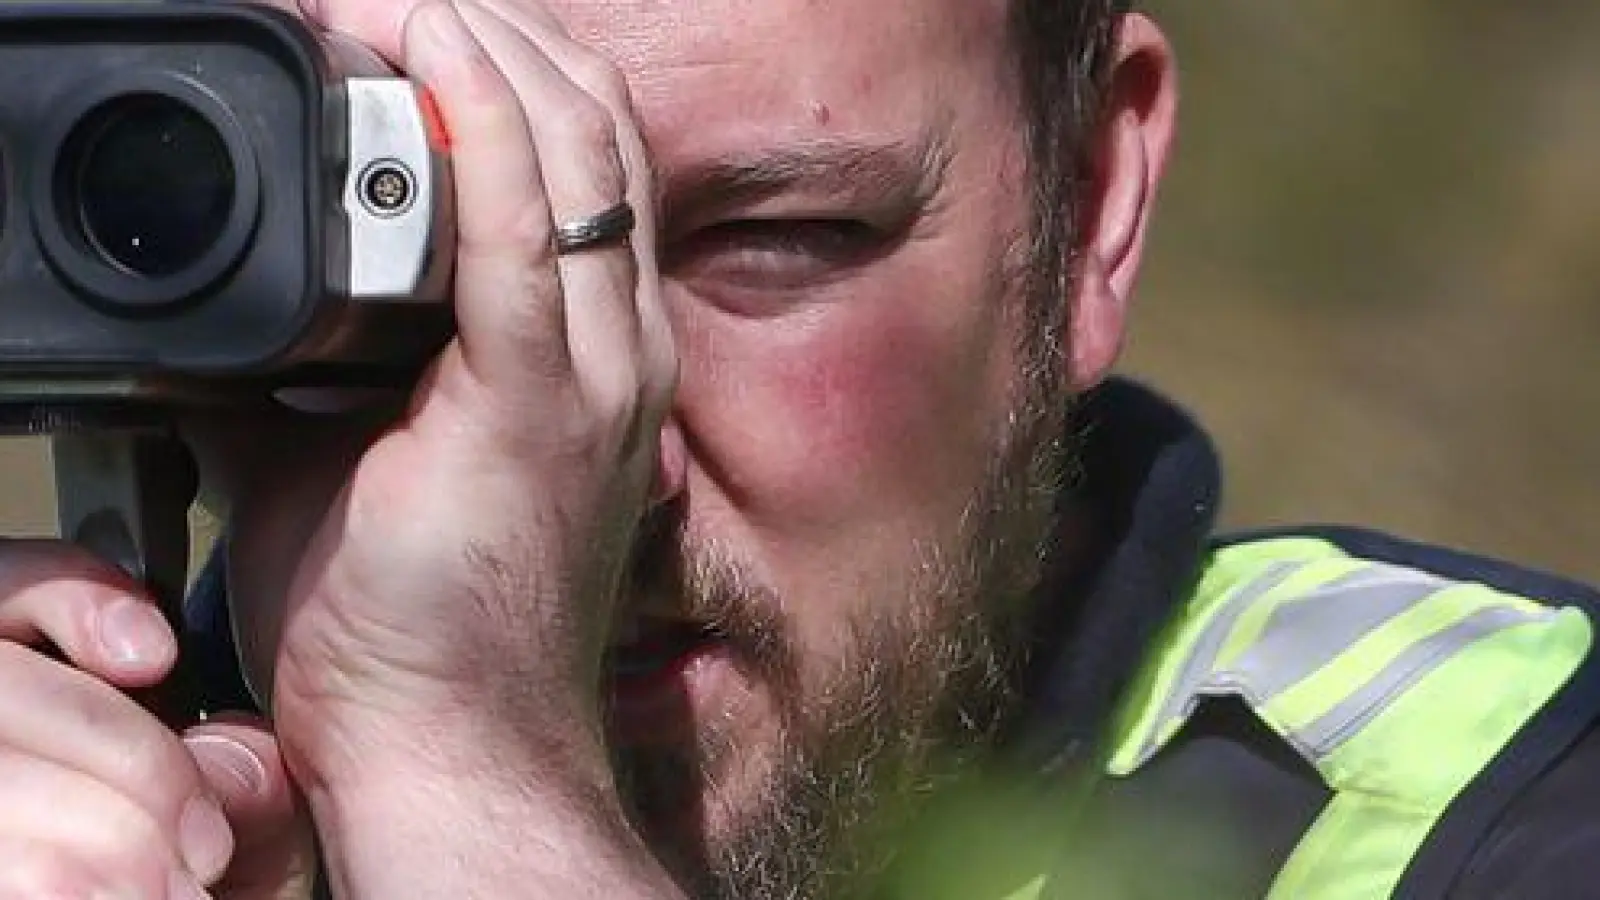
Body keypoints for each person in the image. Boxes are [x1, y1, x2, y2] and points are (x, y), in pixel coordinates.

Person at [1, 0, 1597, 897]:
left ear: (1094, 203)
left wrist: (462, 778)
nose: (592, 423)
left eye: (778, 239)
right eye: (414, 242)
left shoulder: (1494, 811)